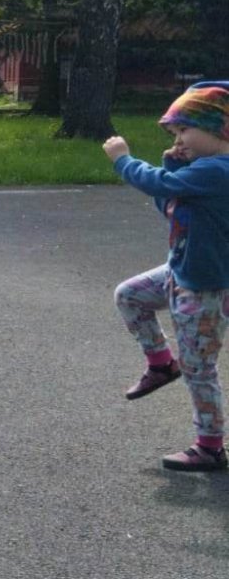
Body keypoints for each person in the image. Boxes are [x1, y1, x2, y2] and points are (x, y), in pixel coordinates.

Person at [105, 80, 229, 473]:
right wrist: (175, 162)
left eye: (184, 130)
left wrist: (123, 160)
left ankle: (210, 446)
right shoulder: (201, 170)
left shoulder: (219, 170)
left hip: (206, 288)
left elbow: (156, 183)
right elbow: (169, 203)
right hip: (180, 271)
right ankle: (161, 363)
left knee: (199, 368)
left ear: (219, 129)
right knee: (130, 295)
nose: (179, 139)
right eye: (175, 133)